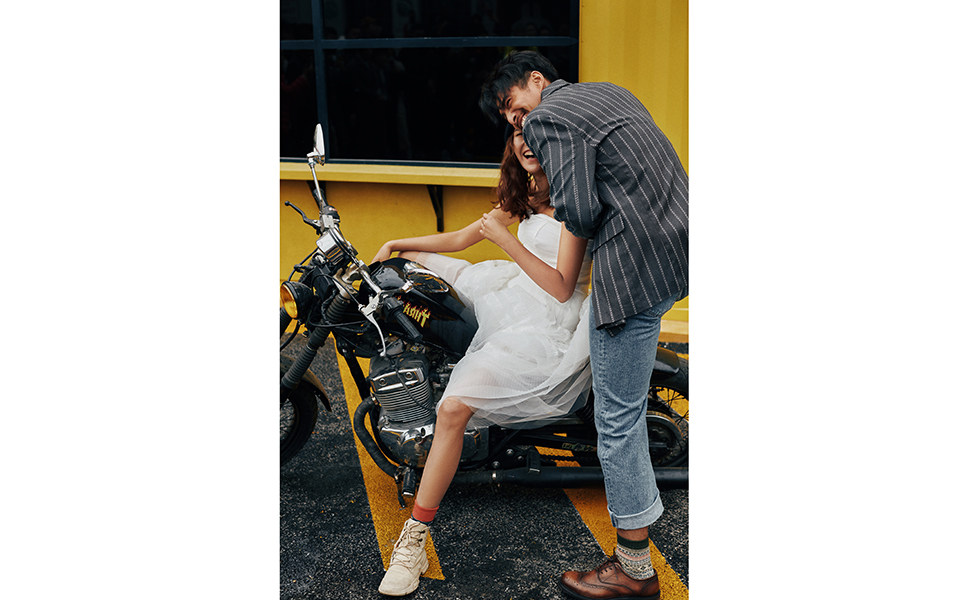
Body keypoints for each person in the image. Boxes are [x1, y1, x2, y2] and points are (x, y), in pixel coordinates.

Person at [479, 51, 688, 600]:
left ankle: (634, 571)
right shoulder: (609, 92)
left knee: (616, 421)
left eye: (514, 105)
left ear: (537, 80)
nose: (517, 121)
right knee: (626, 410)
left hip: (629, 274)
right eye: (508, 118)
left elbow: (579, 208)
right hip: (672, 256)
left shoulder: (550, 116)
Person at [372, 128, 594, 596]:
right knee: (413, 268)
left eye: (532, 129)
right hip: (509, 295)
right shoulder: (529, 195)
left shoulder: (576, 201)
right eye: (515, 131)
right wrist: (395, 243)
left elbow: (561, 287)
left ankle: (414, 540)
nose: (524, 141)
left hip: (544, 323)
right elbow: (459, 239)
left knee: (453, 408)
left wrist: (505, 241)